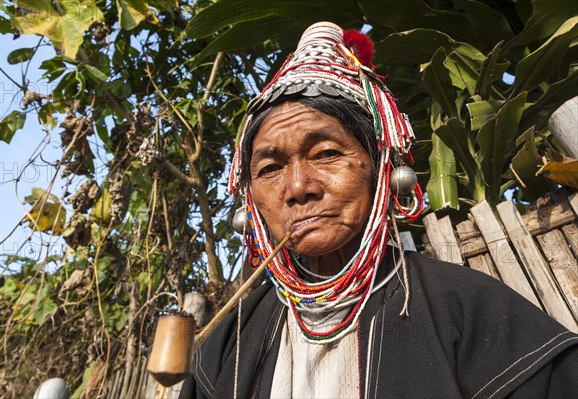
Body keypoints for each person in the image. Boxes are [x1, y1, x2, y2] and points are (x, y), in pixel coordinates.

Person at [179, 22, 578, 398]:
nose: (298, 188)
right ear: (250, 200)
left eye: (326, 153)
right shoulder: (227, 344)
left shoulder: (474, 312)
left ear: (383, 170)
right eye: (269, 168)